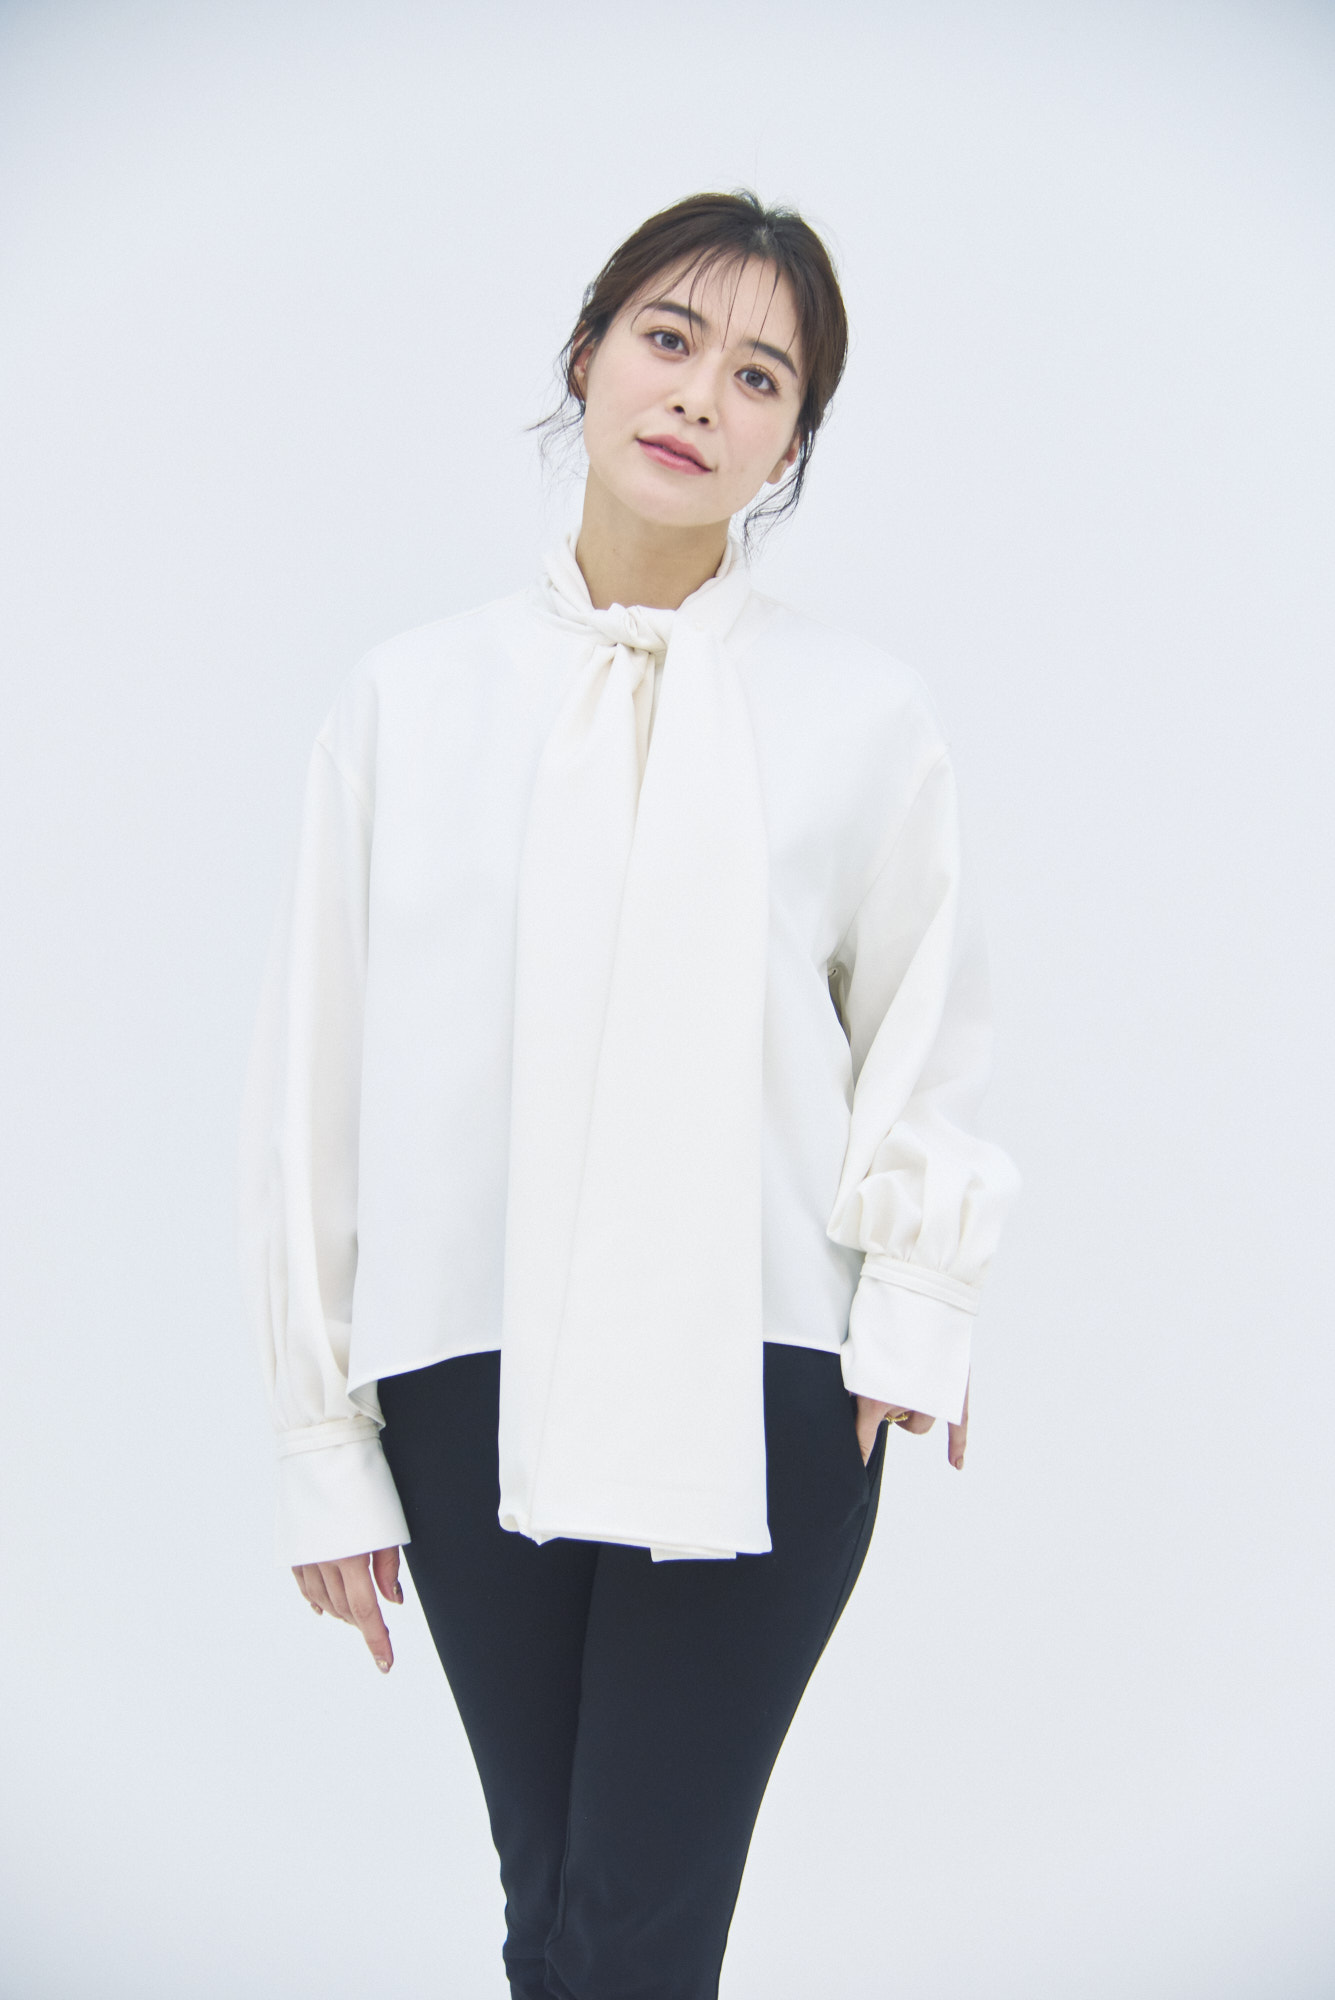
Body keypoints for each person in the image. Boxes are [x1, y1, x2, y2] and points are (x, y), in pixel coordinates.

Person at [238, 189, 1018, 2000]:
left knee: (634, 1923)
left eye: (761, 376)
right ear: (587, 355)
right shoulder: (408, 701)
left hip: (764, 1375)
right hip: (467, 1367)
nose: (699, 396)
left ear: (791, 445)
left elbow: (922, 1028)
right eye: (670, 339)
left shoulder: (858, 714)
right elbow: (313, 1082)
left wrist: (919, 1299)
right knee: (557, 1912)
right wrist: (318, 1442)